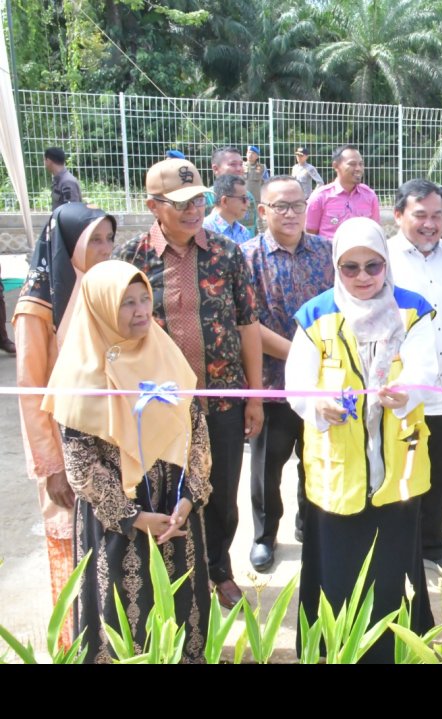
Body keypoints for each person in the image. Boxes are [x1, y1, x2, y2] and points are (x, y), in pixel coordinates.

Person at [42, 260, 212, 663]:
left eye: (143, 300)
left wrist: (189, 498)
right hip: (116, 522)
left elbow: (196, 428)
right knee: (119, 619)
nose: (140, 311)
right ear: (100, 308)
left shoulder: (164, 352)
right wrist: (132, 516)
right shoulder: (81, 371)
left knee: (183, 612)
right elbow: (81, 462)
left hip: (175, 511)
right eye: (126, 303)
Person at [114, 157, 263, 610]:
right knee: (164, 491)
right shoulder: (131, 258)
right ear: (153, 206)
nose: (193, 209)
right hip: (158, 406)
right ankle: (176, 579)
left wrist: (252, 396)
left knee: (219, 492)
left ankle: (220, 571)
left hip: (221, 402)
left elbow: (247, 326)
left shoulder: (227, 253)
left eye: (198, 199)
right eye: (180, 203)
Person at [285, 217, 436, 664]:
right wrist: (319, 405)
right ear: (336, 267)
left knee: (393, 569)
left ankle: (394, 653)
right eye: (350, 268)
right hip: (338, 468)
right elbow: (296, 385)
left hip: (396, 471)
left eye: (373, 266)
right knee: (338, 569)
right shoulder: (316, 314)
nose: (364, 277)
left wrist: (408, 392)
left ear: (387, 263)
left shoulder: (414, 309)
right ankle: (334, 652)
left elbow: (428, 371)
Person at [14, 203, 116, 646]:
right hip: (62, 443)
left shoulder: (102, 290)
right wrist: (53, 466)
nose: (106, 248)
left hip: (107, 441)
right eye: (94, 240)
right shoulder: (37, 308)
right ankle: (75, 641)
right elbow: (30, 390)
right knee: (73, 542)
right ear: (68, 244)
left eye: (109, 239)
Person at [387, 179, 442, 580]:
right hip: (401, 395)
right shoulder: (382, 259)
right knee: (399, 472)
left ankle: (433, 546)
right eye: (420, 215)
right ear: (399, 215)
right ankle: (397, 549)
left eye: (437, 215)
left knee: (440, 474)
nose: (430, 223)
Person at [241, 176, 333, 572]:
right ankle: (264, 536)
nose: (292, 213)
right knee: (267, 467)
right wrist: (300, 355)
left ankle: (308, 526)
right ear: (262, 211)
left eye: (298, 204)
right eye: (281, 206)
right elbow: (247, 324)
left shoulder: (327, 252)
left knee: (316, 460)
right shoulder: (246, 258)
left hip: (323, 384)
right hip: (272, 383)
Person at [306, 145, 380, 241]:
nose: (358, 168)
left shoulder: (369, 196)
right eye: (352, 164)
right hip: (329, 255)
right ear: (336, 166)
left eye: (361, 164)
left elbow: (375, 232)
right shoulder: (320, 197)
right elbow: (310, 236)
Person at [203, 146, 258, 233]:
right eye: (233, 164)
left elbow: (253, 232)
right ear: (215, 169)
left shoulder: (249, 197)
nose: (239, 169)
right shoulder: (203, 199)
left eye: (241, 164)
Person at [203, 173, 253, 243]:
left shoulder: (244, 232)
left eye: (248, 198)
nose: (248, 204)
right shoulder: (203, 231)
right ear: (224, 201)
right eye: (243, 198)